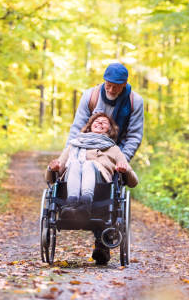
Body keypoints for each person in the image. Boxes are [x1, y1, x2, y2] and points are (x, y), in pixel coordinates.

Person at [54, 62, 144, 265]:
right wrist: (66, 157)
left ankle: (102, 243)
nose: (111, 89)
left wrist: (119, 161)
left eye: (116, 86)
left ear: (124, 84)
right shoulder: (91, 96)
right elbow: (77, 129)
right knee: (80, 171)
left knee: (107, 193)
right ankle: (72, 206)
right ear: (104, 81)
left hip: (112, 153)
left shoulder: (134, 101)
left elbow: (134, 136)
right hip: (84, 148)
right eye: (108, 84)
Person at [46, 113, 139, 219]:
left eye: (104, 122)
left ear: (109, 129)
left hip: (101, 188)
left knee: (89, 164)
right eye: (96, 121)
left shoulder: (114, 149)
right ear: (90, 126)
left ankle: (85, 204)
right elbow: (50, 179)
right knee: (75, 163)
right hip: (69, 183)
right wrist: (52, 169)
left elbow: (134, 182)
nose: (100, 122)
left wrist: (125, 170)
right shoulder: (74, 145)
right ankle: (72, 204)